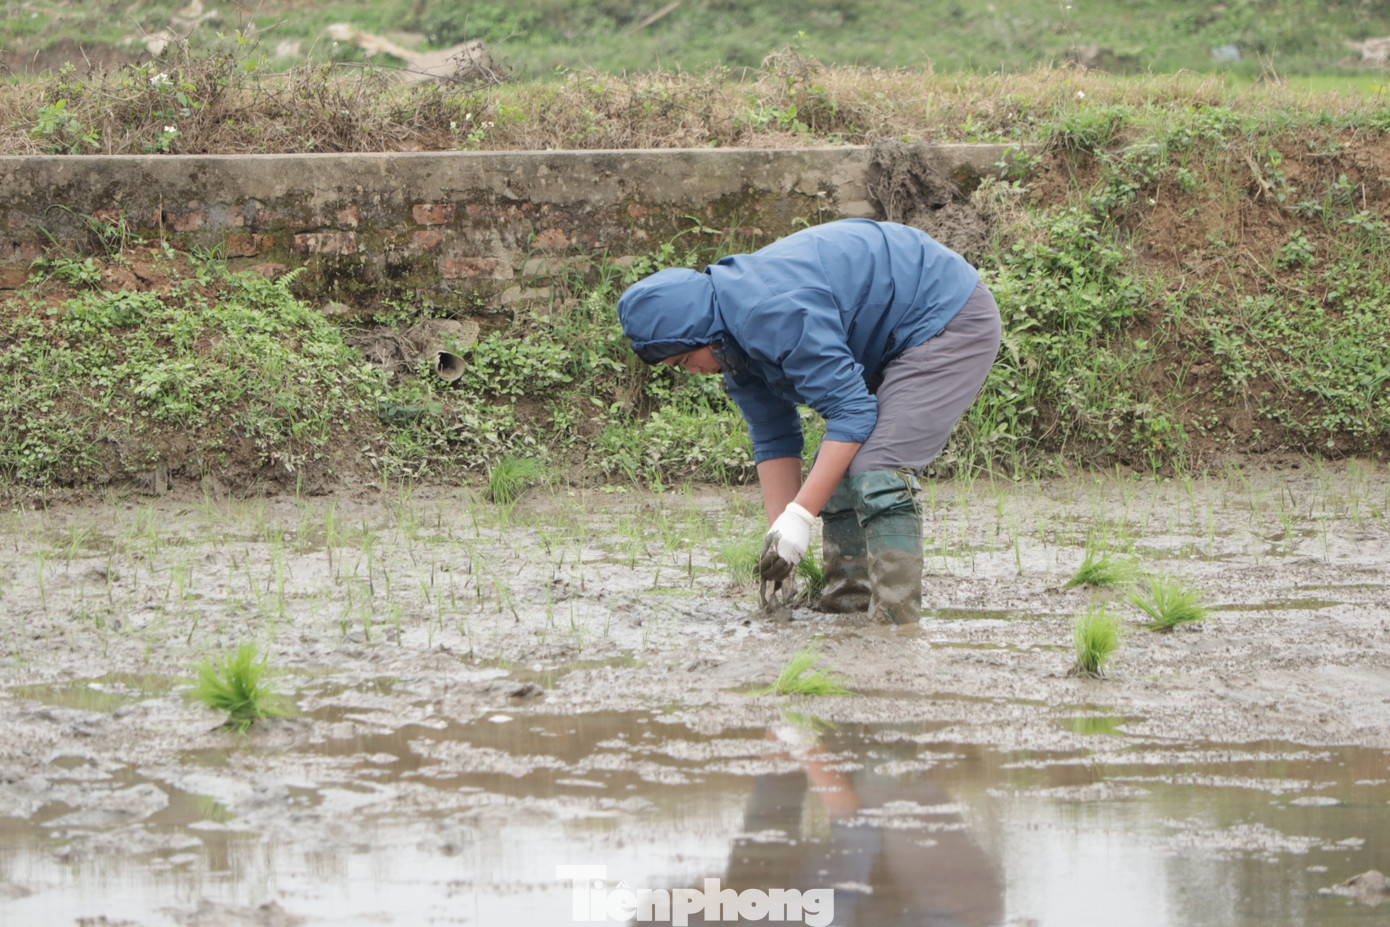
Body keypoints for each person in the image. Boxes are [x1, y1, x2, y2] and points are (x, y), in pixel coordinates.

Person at [616, 218, 1001, 624]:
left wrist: (801, 516)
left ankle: (896, 623)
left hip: (944, 315)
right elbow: (774, 436)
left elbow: (852, 411)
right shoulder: (732, 348)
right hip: (886, 336)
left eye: (683, 360)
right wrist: (781, 541)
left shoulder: (769, 312)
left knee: (877, 468)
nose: (690, 371)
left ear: (703, 334)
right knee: (834, 468)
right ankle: (846, 607)